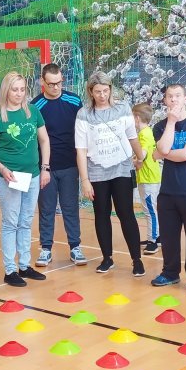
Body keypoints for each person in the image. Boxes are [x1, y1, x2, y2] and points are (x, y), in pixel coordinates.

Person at [0, 71, 51, 287]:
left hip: (32, 176)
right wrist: (2, 169)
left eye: (22, 89)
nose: (19, 93)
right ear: (6, 90)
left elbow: (44, 140)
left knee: (26, 220)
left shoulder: (33, 111)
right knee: (11, 222)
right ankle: (10, 269)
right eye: (14, 89)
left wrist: (45, 167)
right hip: (9, 177)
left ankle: (24, 265)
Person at [75, 71, 145, 276]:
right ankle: (107, 258)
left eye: (105, 91)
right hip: (97, 172)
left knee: (126, 214)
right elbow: (81, 150)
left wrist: (141, 158)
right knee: (101, 214)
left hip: (122, 169)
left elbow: (132, 137)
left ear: (111, 89)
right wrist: (85, 180)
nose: (102, 95)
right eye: (98, 91)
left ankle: (137, 260)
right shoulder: (84, 115)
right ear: (91, 92)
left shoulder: (122, 108)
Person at [150, 84, 186, 295]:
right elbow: (164, 148)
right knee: (168, 236)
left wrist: (163, 154)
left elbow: (185, 155)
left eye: (177, 96)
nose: (173, 100)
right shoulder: (160, 126)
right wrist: (171, 122)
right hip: (168, 191)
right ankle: (170, 273)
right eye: (169, 96)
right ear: (165, 100)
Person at [30, 63, 87, 267]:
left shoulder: (74, 101)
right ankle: (46, 249)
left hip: (70, 166)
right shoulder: (35, 106)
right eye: (51, 84)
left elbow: (84, 132)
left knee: (70, 207)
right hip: (46, 168)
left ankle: (75, 247)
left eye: (59, 83)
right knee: (46, 209)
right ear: (42, 82)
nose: (56, 87)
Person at [132, 102, 162, 255]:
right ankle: (156, 237)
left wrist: (134, 161)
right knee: (151, 209)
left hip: (148, 178)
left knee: (150, 210)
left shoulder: (144, 134)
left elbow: (142, 155)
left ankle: (153, 241)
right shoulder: (147, 132)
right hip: (147, 177)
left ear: (137, 118)